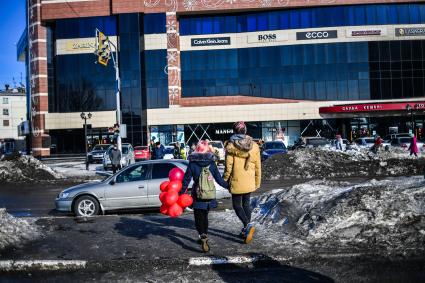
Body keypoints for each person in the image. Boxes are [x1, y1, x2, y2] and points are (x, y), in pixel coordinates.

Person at [180, 140, 228, 252]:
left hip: (198, 195)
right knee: (205, 216)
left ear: (196, 149)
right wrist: (229, 186)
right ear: (207, 149)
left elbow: (186, 180)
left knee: (198, 217)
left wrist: (181, 192)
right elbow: (219, 179)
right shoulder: (211, 163)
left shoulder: (192, 164)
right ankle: (204, 234)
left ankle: (202, 235)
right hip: (209, 195)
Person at [223, 121, 261, 244]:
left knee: (237, 205)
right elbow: (258, 166)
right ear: (245, 131)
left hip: (237, 180)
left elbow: (229, 166)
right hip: (249, 180)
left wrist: (224, 179)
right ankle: (246, 230)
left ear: (234, 131)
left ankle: (247, 225)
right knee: (246, 204)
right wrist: (257, 181)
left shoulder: (231, 145)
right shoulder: (254, 145)